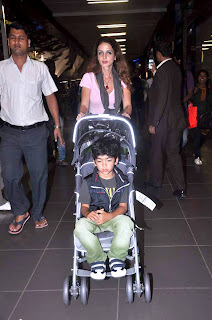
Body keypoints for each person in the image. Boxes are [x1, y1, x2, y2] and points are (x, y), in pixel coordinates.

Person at [0, 22, 64, 234]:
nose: (16, 41)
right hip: (9, 132)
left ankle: (37, 213)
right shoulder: (1, 69)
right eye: (13, 37)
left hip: (36, 132)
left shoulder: (40, 68)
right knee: (10, 175)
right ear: (9, 42)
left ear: (28, 43)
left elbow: (50, 96)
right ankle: (20, 210)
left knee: (39, 175)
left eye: (21, 37)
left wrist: (57, 125)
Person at [74, 137, 134, 280]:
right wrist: (88, 214)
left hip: (114, 217)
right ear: (94, 162)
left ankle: (116, 257)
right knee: (80, 227)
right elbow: (84, 207)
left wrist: (110, 216)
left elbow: (123, 207)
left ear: (116, 161)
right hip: (94, 218)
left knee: (127, 223)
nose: (104, 165)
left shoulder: (123, 182)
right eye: (100, 161)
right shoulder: (88, 182)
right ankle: (97, 259)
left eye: (108, 160)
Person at [148, 39, 186, 198]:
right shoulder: (175, 69)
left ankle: (156, 181)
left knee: (157, 151)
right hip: (176, 118)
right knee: (173, 153)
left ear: (158, 54)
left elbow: (162, 97)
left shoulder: (162, 72)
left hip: (163, 119)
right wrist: (155, 74)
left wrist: (153, 122)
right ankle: (180, 187)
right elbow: (169, 89)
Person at [77, 36, 132, 120]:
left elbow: (128, 105)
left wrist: (126, 113)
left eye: (108, 52)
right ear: (97, 57)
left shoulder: (122, 79)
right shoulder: (88, 78)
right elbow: (84, 105)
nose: (104, 56)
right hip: (94, 126)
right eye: (100, 53)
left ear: (115, 56)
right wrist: (82, 113)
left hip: (115, 125)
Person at [190, 69, 212, 165]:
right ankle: (197, 156)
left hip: (206, 116)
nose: (202, 77)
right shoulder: (193, 89)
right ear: (197, 78)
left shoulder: (209, 90)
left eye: (204, 75)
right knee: (197, 137)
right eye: (200, 75)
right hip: (195, 116)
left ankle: (195, 149)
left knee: (203, 136)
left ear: (207, 78)